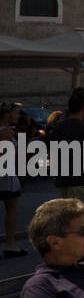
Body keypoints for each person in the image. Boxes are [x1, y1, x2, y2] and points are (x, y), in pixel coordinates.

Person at [45, 87, 84, 210]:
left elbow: (52, 153)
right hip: (79, 179)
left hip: (63, 178)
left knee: (68, 214)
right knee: (81, 215)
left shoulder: (59, 127)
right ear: (83, 107)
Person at [1, 104, 26, 258]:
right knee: (11, 208)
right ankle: (10, 244)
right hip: (5, 175)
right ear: (7, 114)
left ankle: (11, 244)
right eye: (16, 113)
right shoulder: (6, 132)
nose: (18, 116)